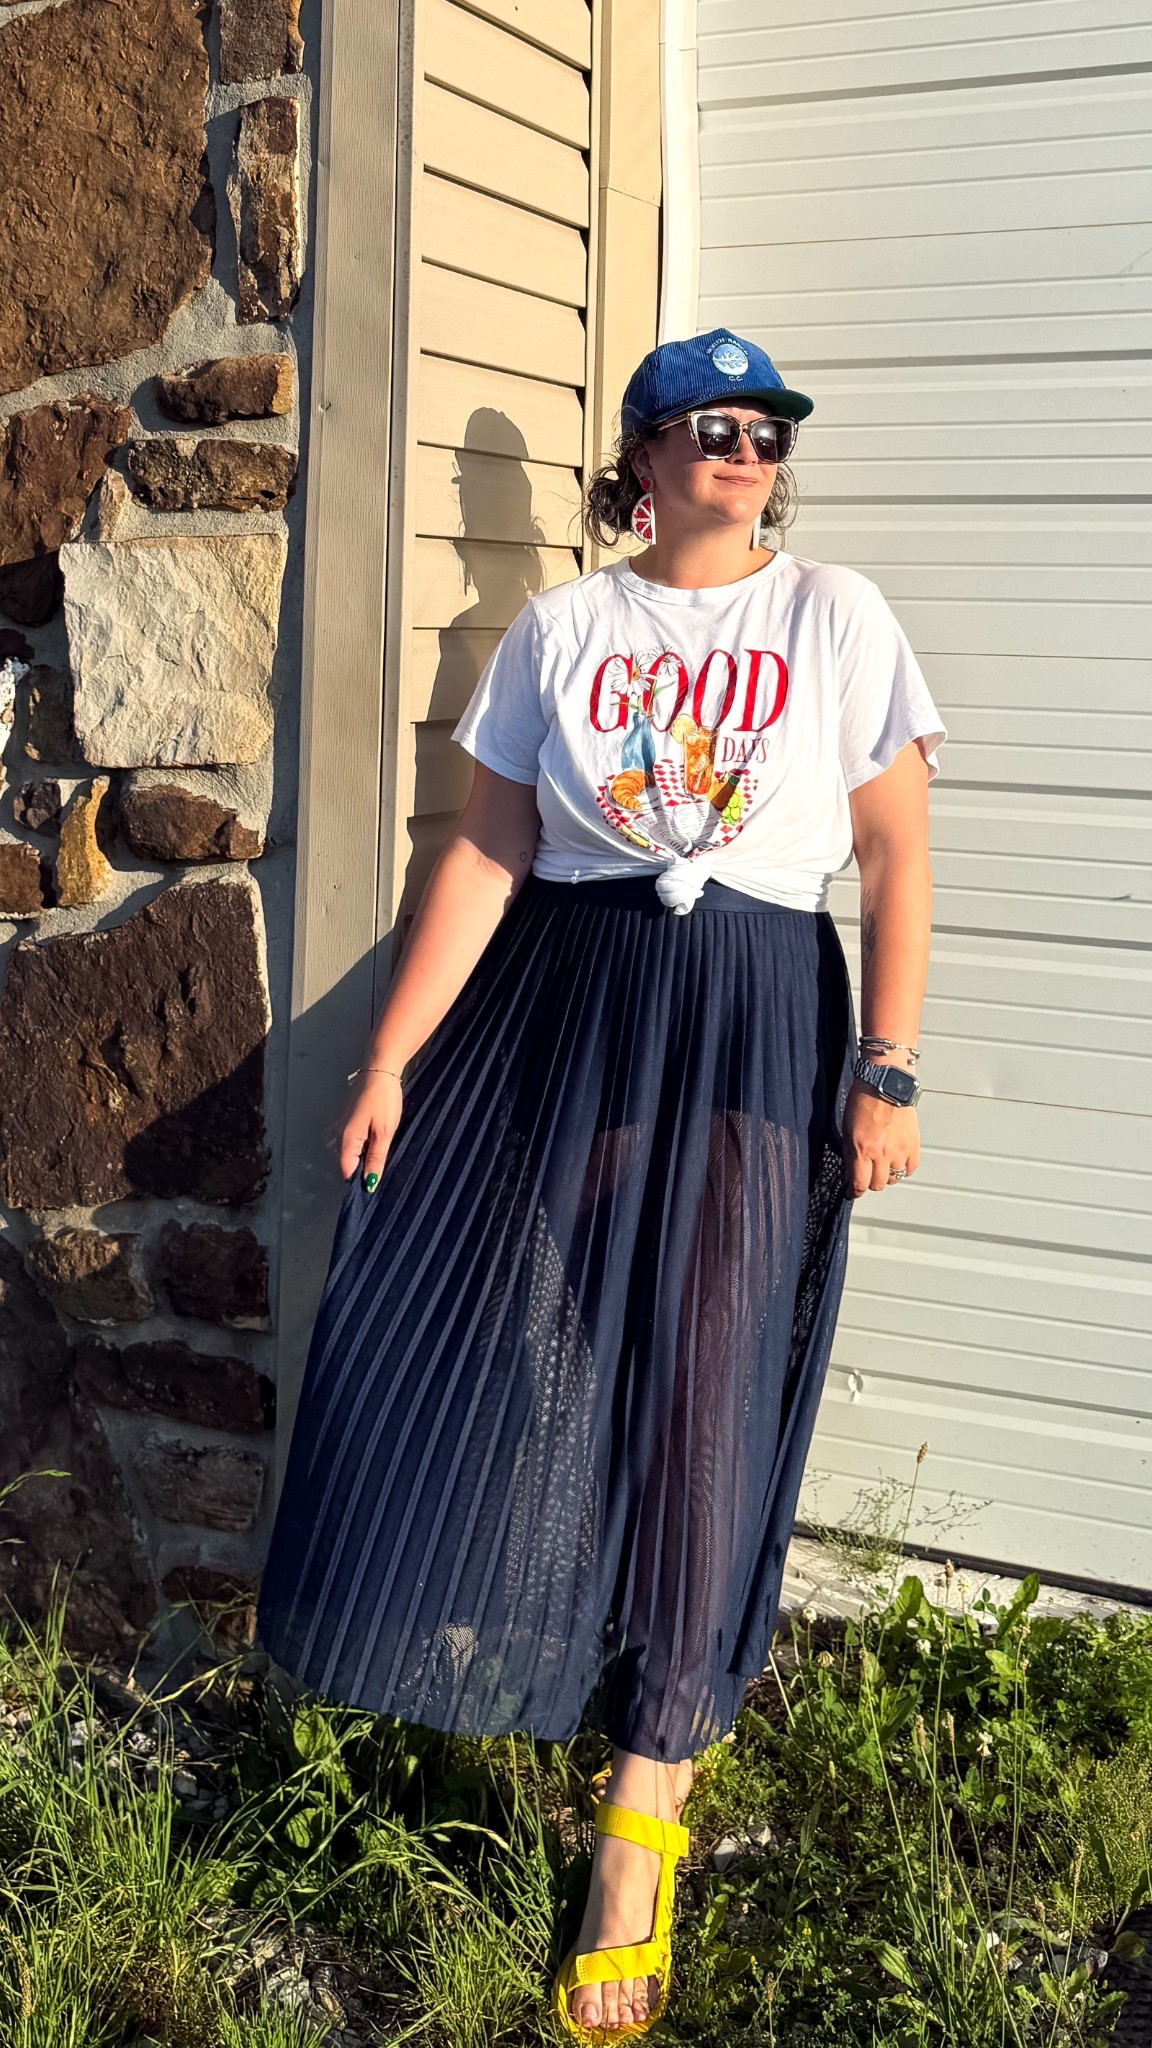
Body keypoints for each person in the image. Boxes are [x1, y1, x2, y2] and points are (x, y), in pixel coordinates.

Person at [256, 328, 945, 2040]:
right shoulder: (564, 631)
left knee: (708, 1381)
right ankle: (534, 1659)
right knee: (528, 1359)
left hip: (752, 1017)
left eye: (770, 429)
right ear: (640, 454)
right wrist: (396, 1057)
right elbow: (485, 849)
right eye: (714, 425)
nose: (748, 450)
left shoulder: (835, 615)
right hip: (563, 1005)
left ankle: (642, 1814)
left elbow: (895, 850)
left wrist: (890, 1062)